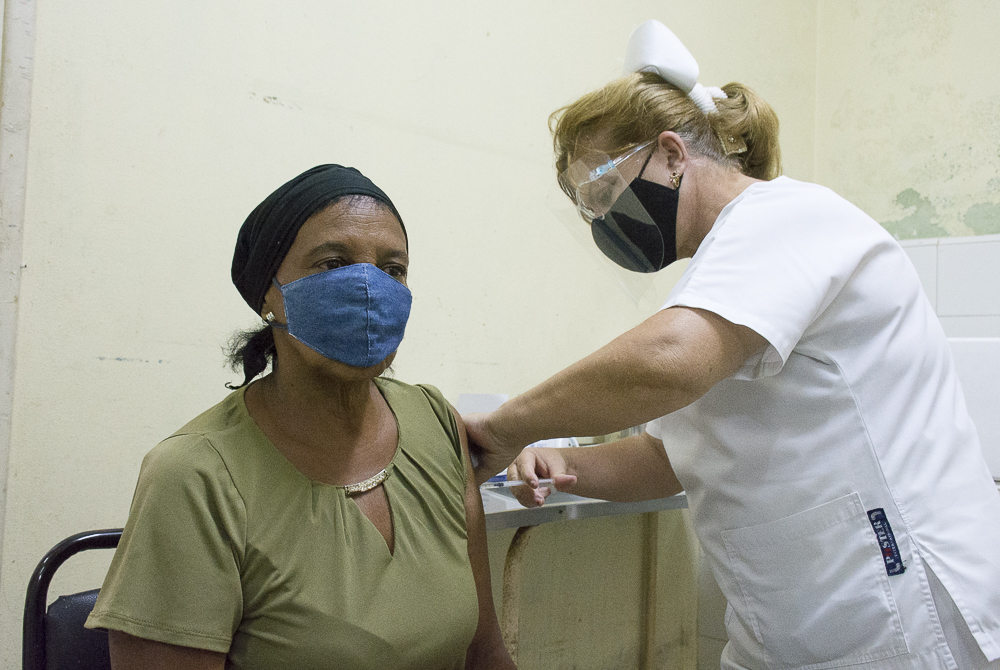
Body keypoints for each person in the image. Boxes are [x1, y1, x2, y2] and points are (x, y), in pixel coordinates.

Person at [465, 20, 1000, 670]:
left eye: (606, 192)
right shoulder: (718, 280)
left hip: (899, 615)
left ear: (669, 154)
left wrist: (504, 424)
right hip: (788, 629)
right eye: (592, 208)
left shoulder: (787, 219)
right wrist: (554, 458)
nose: (606, 221)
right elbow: (675, 457)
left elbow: (670, 361)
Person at [85, 164, 515, 670]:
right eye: (333, 263)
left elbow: (485, 652)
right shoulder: (195, 476)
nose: (369, 287)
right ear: (269, 292)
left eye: (392, 269)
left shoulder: (433, 420)